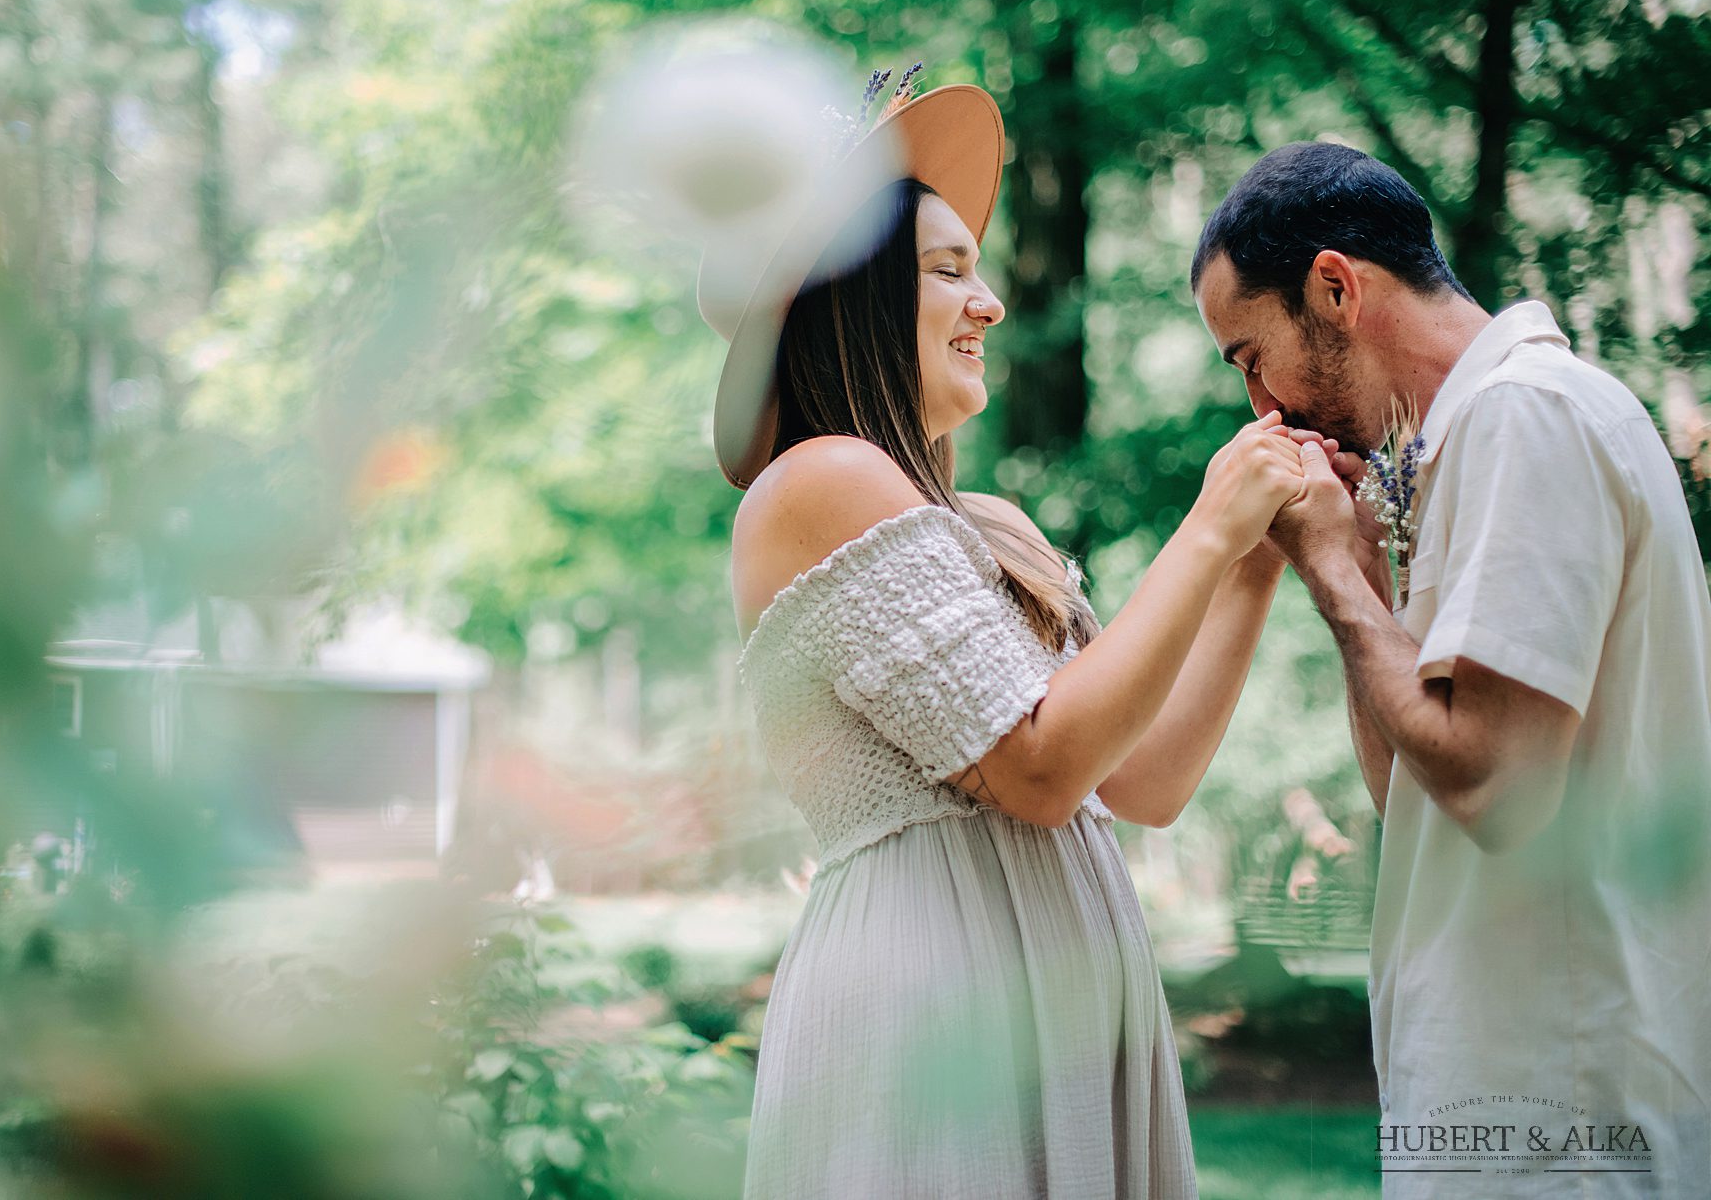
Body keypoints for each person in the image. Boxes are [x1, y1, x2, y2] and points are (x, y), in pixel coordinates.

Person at [699, 65, 1301, 1198]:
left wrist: (1250, 567)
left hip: (1054, 1005)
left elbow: (1141, 782)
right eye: (946, 272)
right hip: (933, 1003)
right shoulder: (818, 480)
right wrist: (1209, 528)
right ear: (851, 298)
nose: (990, 305)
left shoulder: (988, 525)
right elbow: (1035, 766)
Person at [1192, 140, 1711, 1198]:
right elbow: (1410, 790)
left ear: (1333, 288)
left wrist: (1332, 568)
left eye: (1250, 356)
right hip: (1501, 1098)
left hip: (1560, 1111)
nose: (1260, 407)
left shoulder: (1526, 415)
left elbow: (1492, 785)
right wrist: (1367, 579)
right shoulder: (1464, 444)